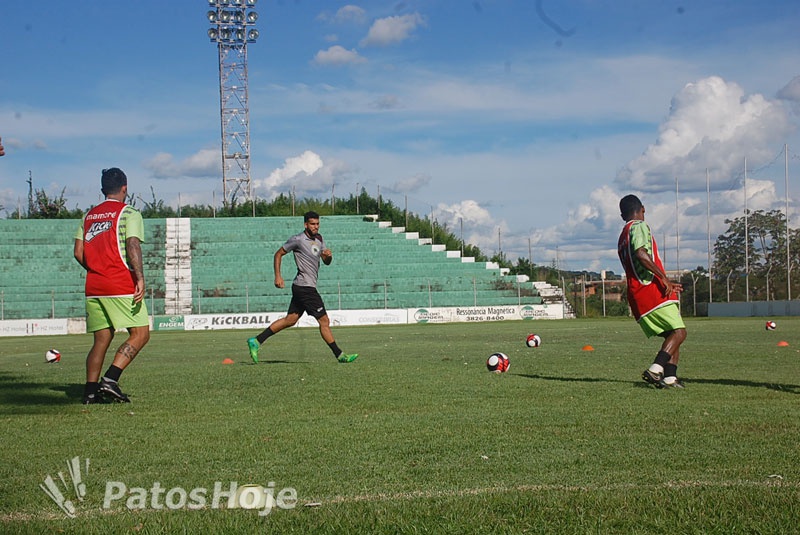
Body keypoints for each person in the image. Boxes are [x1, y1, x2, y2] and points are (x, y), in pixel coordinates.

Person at [74, 168, 150, 404]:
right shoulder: (129, 213)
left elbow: (78, 252)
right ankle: (111, 379)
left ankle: (89, 392)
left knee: (101, 340)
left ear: (102, 190)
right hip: (119, 282)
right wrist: (139, 277)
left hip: (94, 286)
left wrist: (97, 269)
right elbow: (133, 244)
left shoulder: (88, 216)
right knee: (140, 333)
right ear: (125, 188)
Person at [247, 211, 358, 364]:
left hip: (302, 286)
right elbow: (278, 254)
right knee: (324, 321)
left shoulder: (319, 239)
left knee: (290, 320)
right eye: (312, 224)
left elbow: (326, 262)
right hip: (305, 288)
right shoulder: (298, 240)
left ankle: (257, 341)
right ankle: (340, 355)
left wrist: (328, 256)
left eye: (318, 224)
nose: (316, 227)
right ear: (306, 224)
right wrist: (278, 276)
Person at [617, 194, 687, 389]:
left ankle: (670, 378)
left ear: (622, 215)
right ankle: (655, 369)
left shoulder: (624, 234)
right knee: (680, 333)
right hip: (648, 289)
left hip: (636, 291)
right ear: (643, 209)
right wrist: (663, 278)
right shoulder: (639, 227)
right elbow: (641, 253)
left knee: (672, 335)